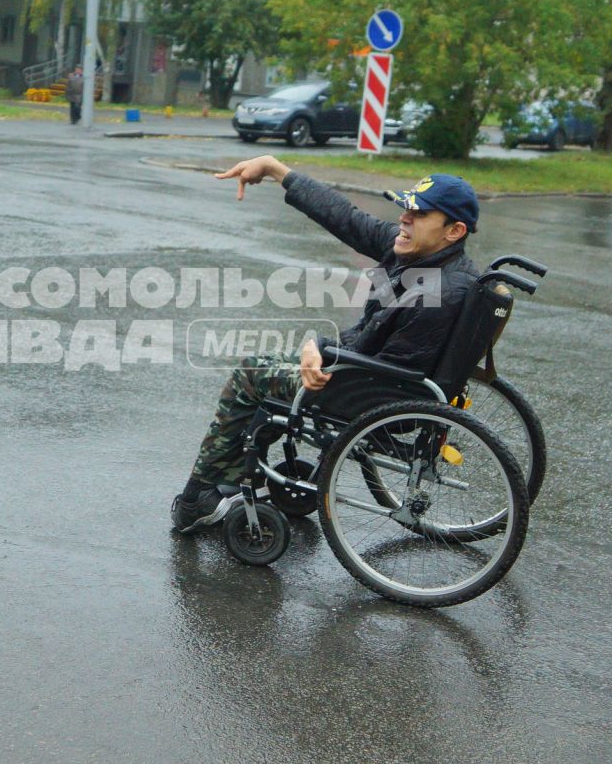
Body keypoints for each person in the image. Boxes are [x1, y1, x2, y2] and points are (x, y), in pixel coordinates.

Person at [172, 155, 483, 532]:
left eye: (419, 215)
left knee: (251, 374)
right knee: (266, 362)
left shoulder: (432, 290)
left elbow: (370, 352)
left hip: (370, 392)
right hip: (379, 376)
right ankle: (237, 474)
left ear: (454, 231)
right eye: (405, 209)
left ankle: (197, 498)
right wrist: (275, 170)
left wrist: (319, 347)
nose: (404, 219)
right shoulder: (429, 259)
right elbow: (346, 218)